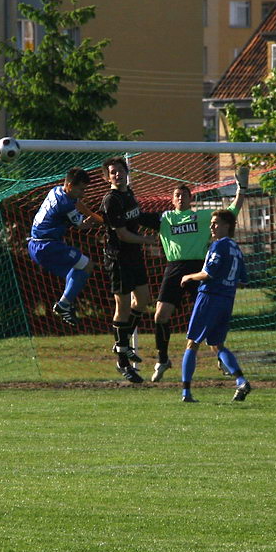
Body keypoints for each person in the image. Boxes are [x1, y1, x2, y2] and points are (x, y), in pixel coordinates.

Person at [150, 166, 248, 382]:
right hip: (174, 269)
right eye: (177, 195)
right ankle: (163, 359)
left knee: (208, 318)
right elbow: (135, 219)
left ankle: (220, 357)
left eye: (184, 195)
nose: (181, 198)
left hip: (198, 268)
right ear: (172, 200)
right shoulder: (165, 219)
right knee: (160, 316)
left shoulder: (203, 217)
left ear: (190, 199)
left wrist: (241, 190)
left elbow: (231, 212)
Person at [179, 209, 251, 403]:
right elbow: (243, 281)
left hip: (210, 297)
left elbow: (208, 274)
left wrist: (189, 276)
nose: (211, 226)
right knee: (216, 344)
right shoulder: (236, 248)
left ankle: (186, 393)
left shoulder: (219, 246)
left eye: (216, 223)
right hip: (227, 300)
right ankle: (241, 381)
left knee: (192, 342)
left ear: (227, 226)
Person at [100, 156, 161, 383]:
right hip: (118, 259)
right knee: (122, 306)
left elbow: (138, 218)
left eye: (120, 170)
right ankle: (123, 361)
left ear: (126, 172)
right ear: (107, 177)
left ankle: (121, 343)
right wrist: (148, 241)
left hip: (133, 256)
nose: (117, 174)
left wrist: (160, 220)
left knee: (143, 298)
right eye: (113, 172)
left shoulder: (129, 194)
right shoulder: (111, 200)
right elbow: (123, 234)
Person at [27, 167, 102, 327]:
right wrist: (93, 222)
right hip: (46, 245)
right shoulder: (65, 203)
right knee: (86, 265)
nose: (83, 193)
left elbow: (79, 203)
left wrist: (94, 215)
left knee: (77, 270)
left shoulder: (56, 190)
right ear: (69, 185)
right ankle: (63, 305)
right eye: (80, 189)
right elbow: (81, 225)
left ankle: (65, 304)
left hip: (36, 244)